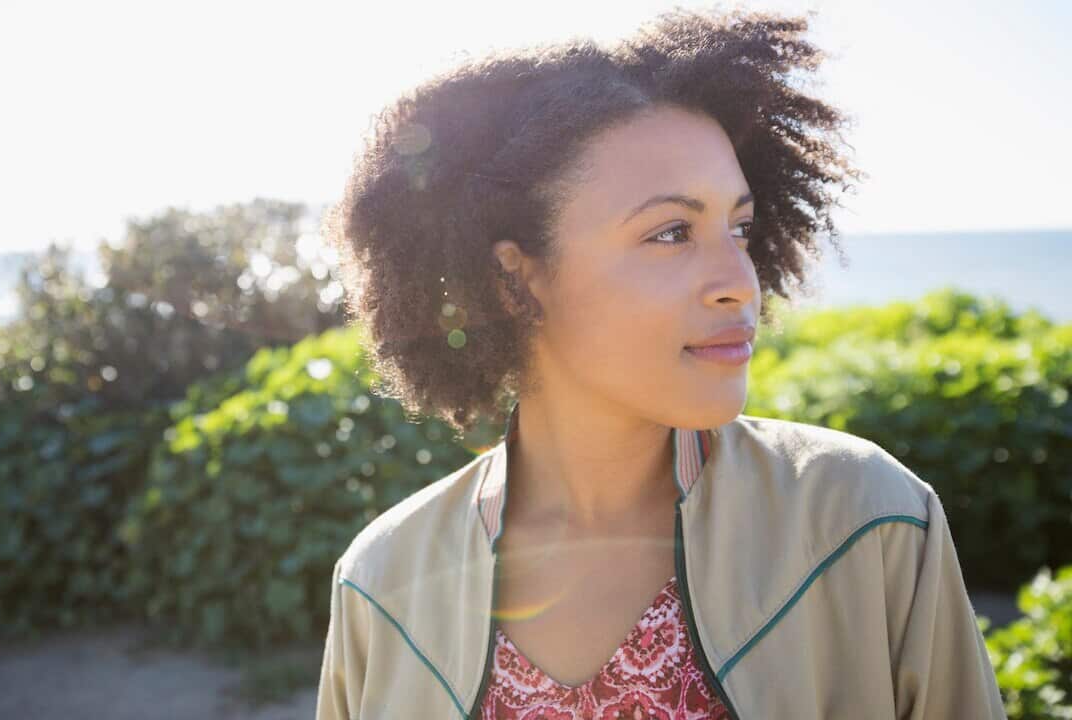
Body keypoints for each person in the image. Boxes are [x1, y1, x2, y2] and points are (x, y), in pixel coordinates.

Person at [314, 7, 1005, 719]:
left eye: (739, 227)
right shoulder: (381, 582)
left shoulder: (869, 520)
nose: (740, 280)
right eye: (672, 232)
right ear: (514, 280)